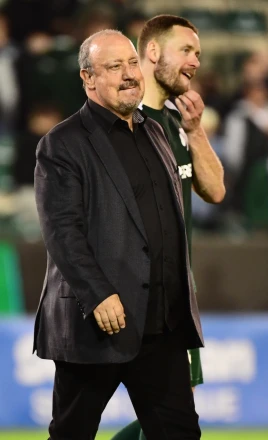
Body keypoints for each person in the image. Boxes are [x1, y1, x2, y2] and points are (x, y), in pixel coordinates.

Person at [33, 29, 203, 440]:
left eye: (131, 64)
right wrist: (98, 295)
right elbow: (62, 233)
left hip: (160, 326)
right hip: (99, 323)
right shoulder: (62, 143)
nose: (129, 75)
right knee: (72, 433)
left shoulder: (155, 132)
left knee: (180, 434)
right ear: (88, 78)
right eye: (114, 67)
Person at [111, 15, 225, 440]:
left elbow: (215, 191)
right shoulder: (122, 122)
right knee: (170, 414)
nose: (196, 62)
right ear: (154, 52)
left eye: (199, 53)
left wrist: (195, 131)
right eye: (187, 50)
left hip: (175, 297)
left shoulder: (176, 123)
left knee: (167, 415)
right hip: (138, 298)